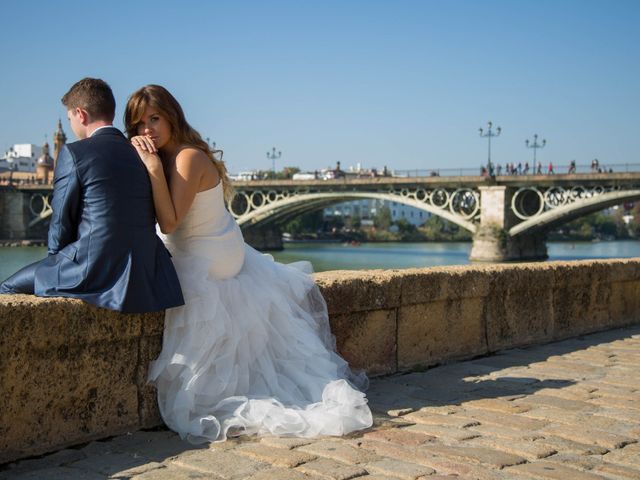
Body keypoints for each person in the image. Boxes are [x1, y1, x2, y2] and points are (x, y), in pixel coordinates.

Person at [125, 85, 372, 443]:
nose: (147, 130)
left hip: (209, 254)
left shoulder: (185, 158)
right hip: (225, 247)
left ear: (172, 116)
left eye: (154, 118)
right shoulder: (170, 155)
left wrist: (149, 166)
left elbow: (170, 223)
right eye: (138, 124)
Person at [0, 78, 184, 313]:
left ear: (81, 114)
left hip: (94, 267)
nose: (72, 127)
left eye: (70, 119)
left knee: (7, 287)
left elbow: (61, 222)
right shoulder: (143, 153)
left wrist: (54, 268)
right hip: (146, 272)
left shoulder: (74, 152)